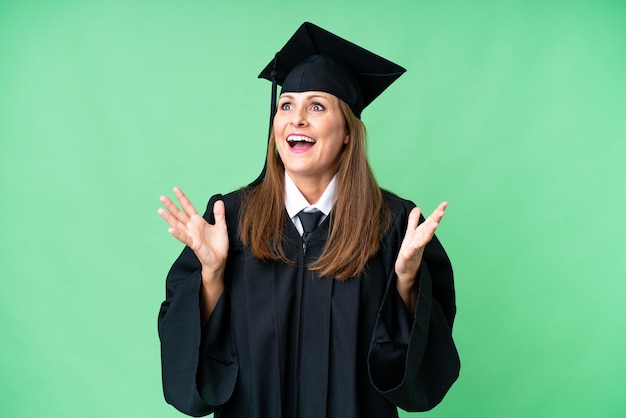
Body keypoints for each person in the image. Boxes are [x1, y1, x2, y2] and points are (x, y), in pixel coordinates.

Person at [157, 22, 460, 418]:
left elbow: (418, 373)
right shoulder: (229, 218)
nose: (296, 118)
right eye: (287, 106)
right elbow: (191, 360)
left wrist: (405, 281)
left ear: (348, 132)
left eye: (316, 106)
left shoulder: (396, 225)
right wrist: (212, 275)